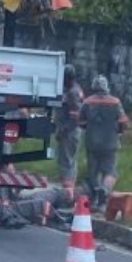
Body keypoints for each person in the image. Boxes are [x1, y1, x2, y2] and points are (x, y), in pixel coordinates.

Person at [78, 75, 129, 213]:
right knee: (110, 172)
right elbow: (123, 121)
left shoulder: (88, 102)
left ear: (94, 87)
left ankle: (94, 199)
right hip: (110, 142)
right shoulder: (115, 102)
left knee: (93, 173)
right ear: (107, 87)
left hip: (92, 143)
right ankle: (104, 192)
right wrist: (119, 131)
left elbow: (81, 121)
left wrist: (89, 127)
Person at [54, 64, 84, 202]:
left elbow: (75, 116)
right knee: (71, 161)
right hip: (72, 131)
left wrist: (63, 130)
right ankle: (69, 191)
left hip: (69, 132)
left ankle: (68, 194)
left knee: (66, 162)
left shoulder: (72, 93)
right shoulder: (76, 90)